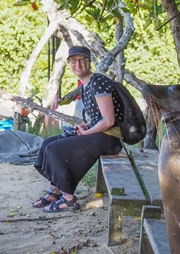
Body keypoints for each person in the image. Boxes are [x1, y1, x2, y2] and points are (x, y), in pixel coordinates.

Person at [32, 46, 125, 213]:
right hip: (100, 133)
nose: (77, 64)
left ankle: (68, 199)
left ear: (89, 62)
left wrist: (86, 132)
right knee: (48, 143)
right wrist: (86, 126)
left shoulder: (98, 82)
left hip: (111, 138)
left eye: (82, 60)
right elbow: (98, 117)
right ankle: (55, 190)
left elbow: (109, 120)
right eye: (73, 61)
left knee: (56, 149)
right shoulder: (84, 85)